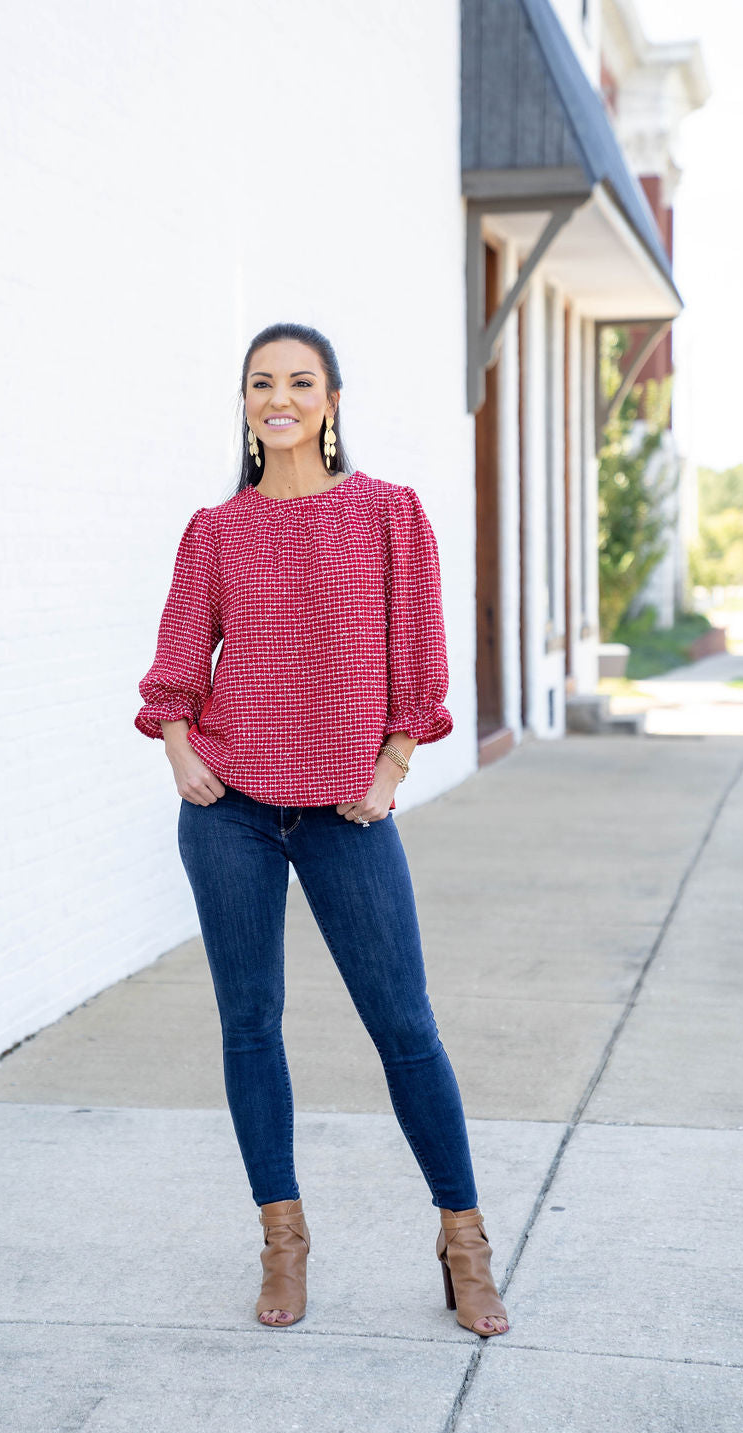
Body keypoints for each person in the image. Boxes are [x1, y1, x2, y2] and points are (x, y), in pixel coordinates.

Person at [135, 321, 509, 1338]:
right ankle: (282, 1241)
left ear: (332, 399)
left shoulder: (388, 515)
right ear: (245, 403)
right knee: (250, 1026)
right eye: (261, 383)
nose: (279, 397)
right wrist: (182, 754)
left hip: (347, 810)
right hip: (231, 814)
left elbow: (418, 661)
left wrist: (390, 769)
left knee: (404, 1028)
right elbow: (175, 667)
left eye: (300, 381)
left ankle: (463, 1242)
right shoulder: (215, 530)